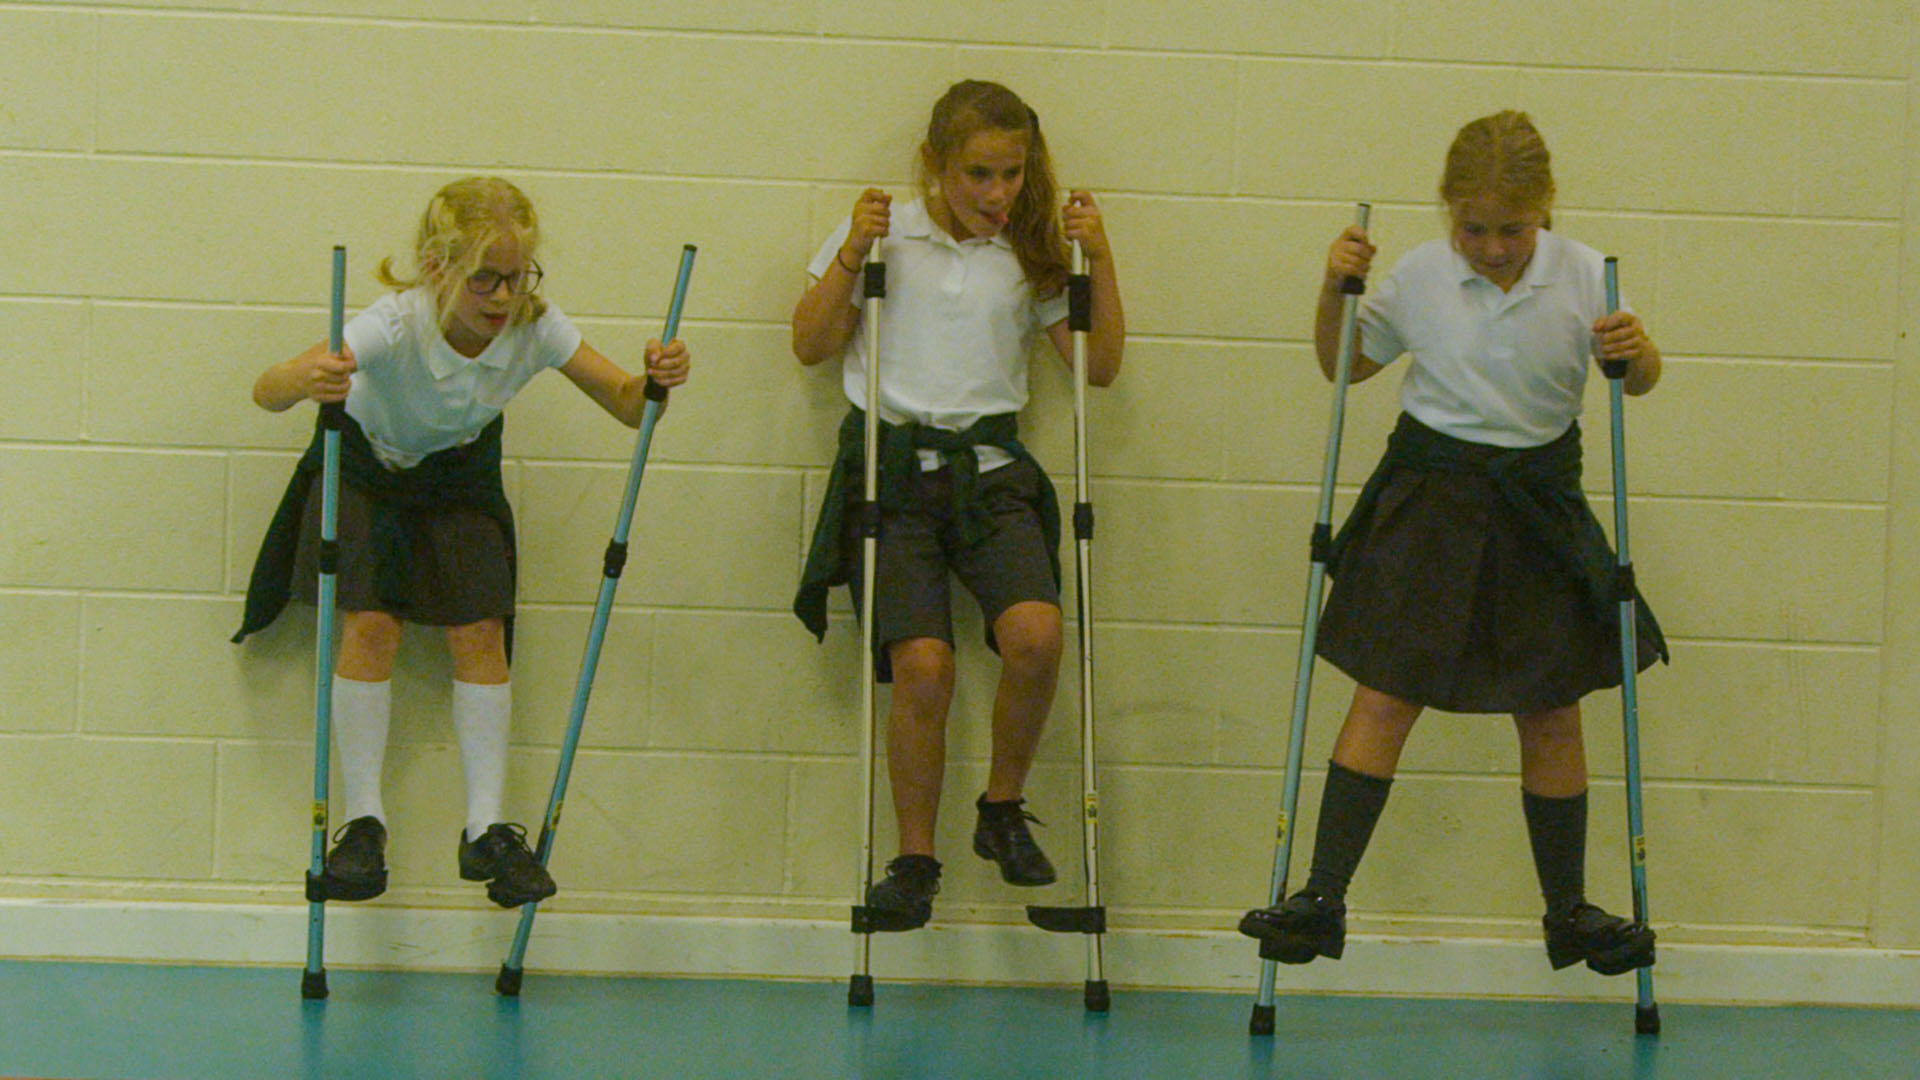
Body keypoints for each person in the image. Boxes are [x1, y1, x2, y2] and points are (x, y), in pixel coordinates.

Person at [1238, 111, 1665, 976]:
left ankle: (1567, 910)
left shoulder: (1587, 275)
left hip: (1538, 501)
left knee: (1549, 708)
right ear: (1446, 213)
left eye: (1513, 229)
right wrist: (1334, 288)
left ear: (1544, 210)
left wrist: (1640, 350)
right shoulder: (1421, 274)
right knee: (1385, 695)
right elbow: (1344, 365)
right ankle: (1321, 898)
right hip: (1429, 495)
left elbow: (1639, 379)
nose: (1494, 247)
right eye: (1473, 228)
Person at [233, 177, 690, 908]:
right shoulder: (394, 323)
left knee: (481, 629)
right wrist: (304, 376)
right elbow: (267, 389)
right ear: (436, 267)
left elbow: (627, 406)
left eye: (518, 276)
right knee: (373, 622)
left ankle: (484, 830)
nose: (505, 296)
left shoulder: (536, 327)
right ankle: (363, 825)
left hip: (458, 473)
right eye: (486, 277)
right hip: (365, 466)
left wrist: (655, 381)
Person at [792, 80, 1124, 930]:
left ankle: (1001, 808)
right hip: (894, 472)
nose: (998, 193)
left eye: (1013, 174)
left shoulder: (1029, 248)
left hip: (990, 470)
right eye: (979, 174)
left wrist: (1101, 261)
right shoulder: (883, 233)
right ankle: (914, 859)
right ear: (935, 167)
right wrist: (848, 253)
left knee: (1037, 636)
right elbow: (810, 343)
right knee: (925, 667)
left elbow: (1098, 366)